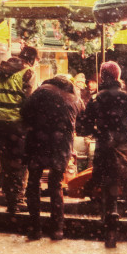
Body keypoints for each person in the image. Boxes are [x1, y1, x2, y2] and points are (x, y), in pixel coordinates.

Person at [76, 61, 127, 248]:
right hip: (125, 146)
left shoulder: (96, 100)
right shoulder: (126, 97)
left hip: (105, 147)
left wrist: (97, 131)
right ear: (118, 77)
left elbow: (83, 126)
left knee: (109, 190)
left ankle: (111, 236)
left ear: (103, 77)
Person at [21, 74, 81, 241]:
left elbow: (24, 112)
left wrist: (36, 126)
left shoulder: (41, 91)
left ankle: (35, 228)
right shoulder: (73, 97)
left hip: (37, 141)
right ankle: (57, 229)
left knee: (33, 183)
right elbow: (82, 122)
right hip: (60, 145)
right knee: (56, 185)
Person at [0, 45, 38, 215]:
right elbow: (29, 103)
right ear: (31, 59)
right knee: (20, 163)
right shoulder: (28, 73)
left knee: (6, 162)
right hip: (17, 125)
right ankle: (16, 201)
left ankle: (10, 199)